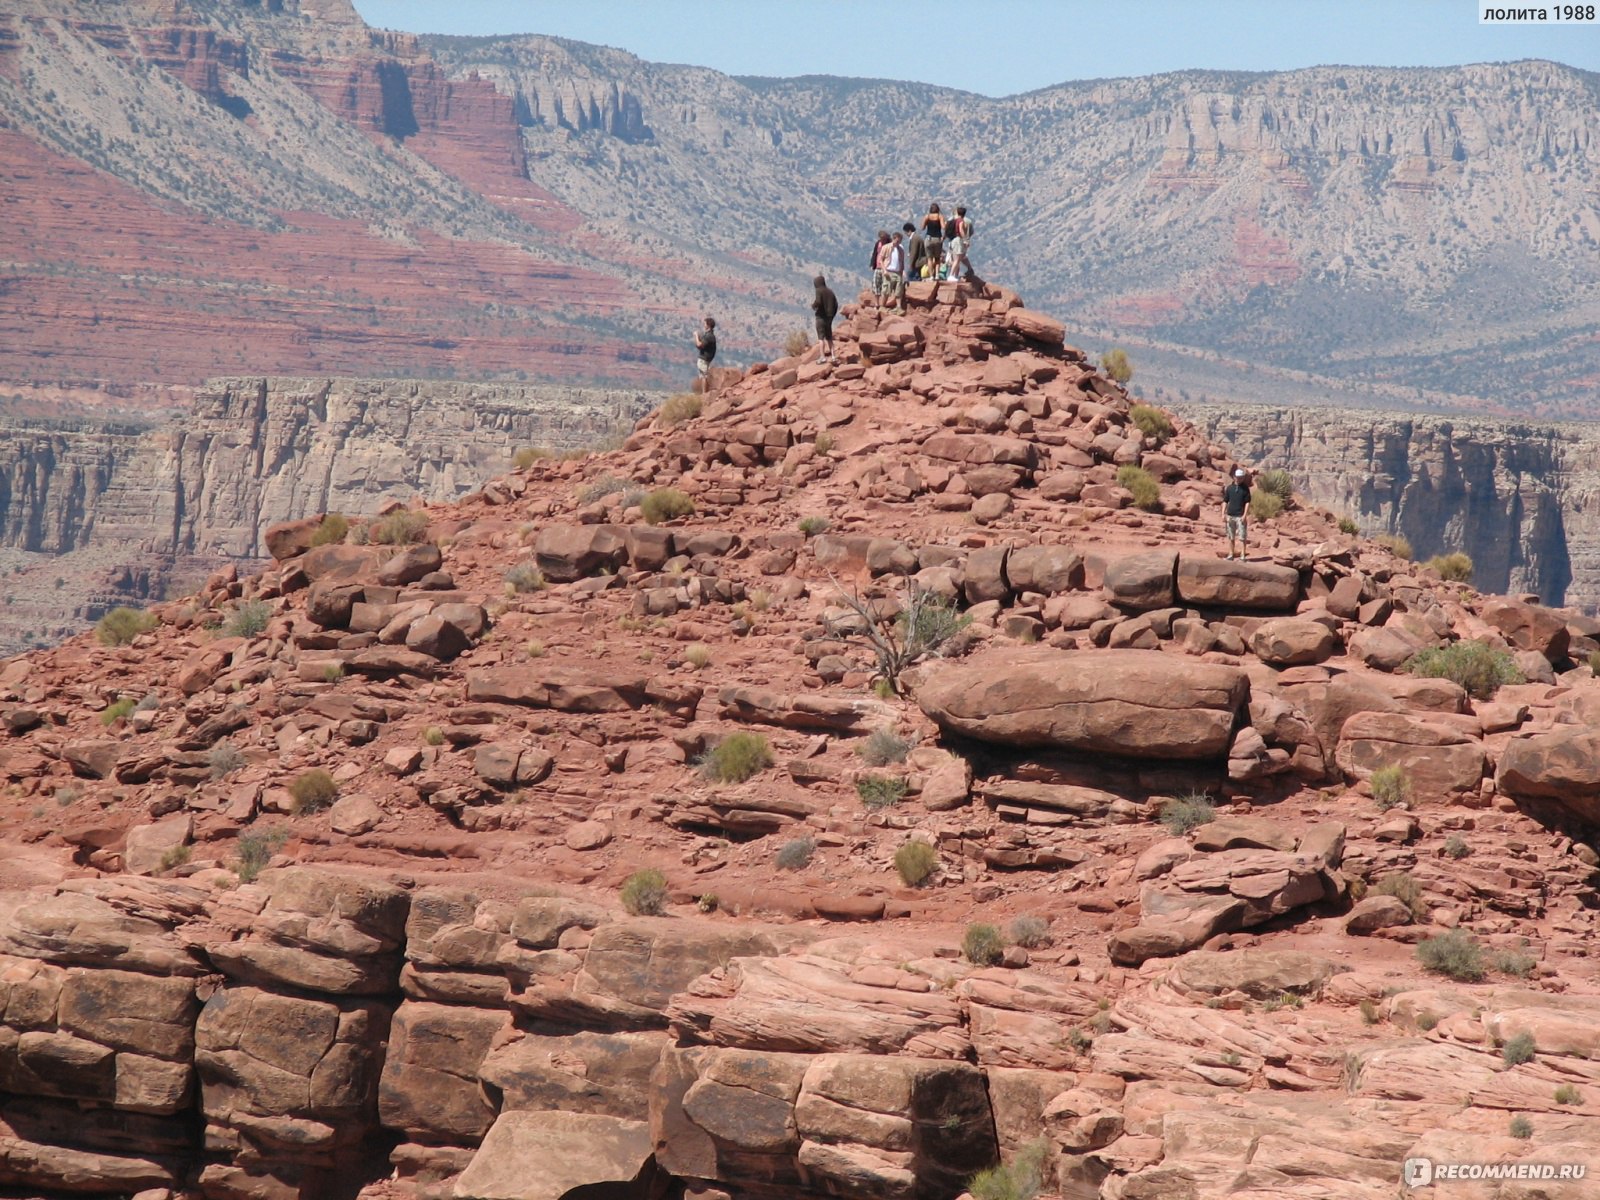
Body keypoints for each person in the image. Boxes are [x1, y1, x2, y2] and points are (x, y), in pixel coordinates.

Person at [1223, 468, 1251, 560]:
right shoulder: (1230, 488)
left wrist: (1244, 515)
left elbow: (1247, 502)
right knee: (1231, 536)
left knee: (1242, 537)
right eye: (1238, 477)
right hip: (1230, 515)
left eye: (1241, 477)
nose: (1239, 479)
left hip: (1240, 516)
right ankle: (1231, 554)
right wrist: (1223, 513)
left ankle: (1243, 556)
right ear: (1234, 477)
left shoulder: (1245, 489)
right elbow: (1225, 501)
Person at [812, 274, 838, 361]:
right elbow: (836, 304)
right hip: (829, 318)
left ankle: (822, 357)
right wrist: (832, 316)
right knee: (829, 338)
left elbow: (818, 301)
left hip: (821, 317)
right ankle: (833, 356)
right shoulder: (830, 292)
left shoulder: (819, 290)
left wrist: (814, 306)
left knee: (821, 338)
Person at [878, 232, 906, 313]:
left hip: (898, 272)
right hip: (889, 271)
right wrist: (884, 270)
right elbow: (881, 260)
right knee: (886, 289)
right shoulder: (886, 247)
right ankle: (882, 306)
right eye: (897, 241)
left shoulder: (900, 250)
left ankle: (898, 307)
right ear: (894, 239)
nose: (898, 243)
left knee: (899, 290)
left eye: (900, 241)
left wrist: (903, 271)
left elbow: (902, 261)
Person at [921, 204, 944, 280]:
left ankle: (931, 276)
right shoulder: (940, 216)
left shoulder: (927, 216)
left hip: (928, 239)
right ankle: (937, 275)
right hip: (937, 239)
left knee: (929, 258)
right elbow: (943, 227)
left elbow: (922, 227)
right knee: (937, 258)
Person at [870, 230, 890, 296]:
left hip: (886, 266)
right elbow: (875, 253)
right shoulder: (878, 243)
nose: (882, 240)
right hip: (878, 266)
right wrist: (872, 264)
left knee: (884, 284)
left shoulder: (889, 244)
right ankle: (877, 301)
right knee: (876, 283)